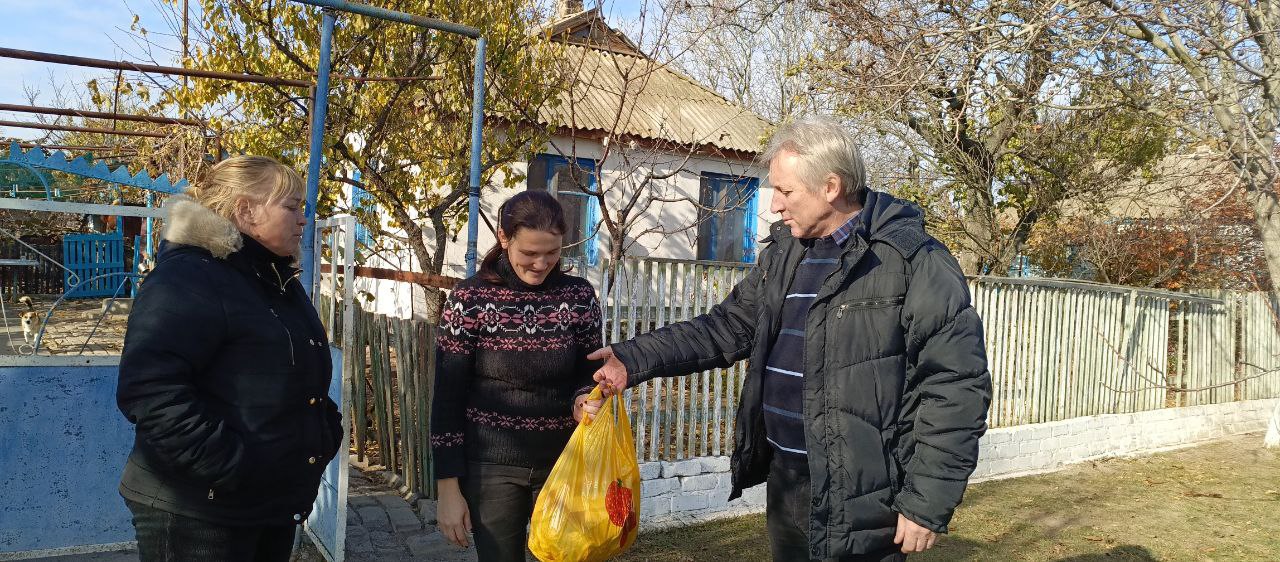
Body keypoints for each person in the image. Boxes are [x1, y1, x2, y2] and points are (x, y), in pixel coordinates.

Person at [589, 116, 992, 561]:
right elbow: (724, 327)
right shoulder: (785, 254)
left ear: (831, 186)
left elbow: (955, 386)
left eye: (785, 191)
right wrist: (632, 359)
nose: (774, 205)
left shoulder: (912, 259)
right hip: (789, 483)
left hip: (867, 494)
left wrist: (925, 504)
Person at [116, 156, 342, 561]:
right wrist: (236, 467)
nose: (303, 220)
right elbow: (151, 392)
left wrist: (324, 432)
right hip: (199, 511)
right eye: (291, 207)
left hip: (262, 503)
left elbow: (291, 375)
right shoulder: (190, 276)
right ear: (245, 210)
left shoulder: (271, 278)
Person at [431, 190, 604, 561]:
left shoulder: (579, 297)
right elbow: (447, 398)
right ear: (504, 238)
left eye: (553, 252)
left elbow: (589, 375)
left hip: (564, 463)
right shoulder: (469, 300)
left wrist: (583, 398)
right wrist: (448, 488)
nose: (542, 263)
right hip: (489, 468)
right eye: (530, 253)